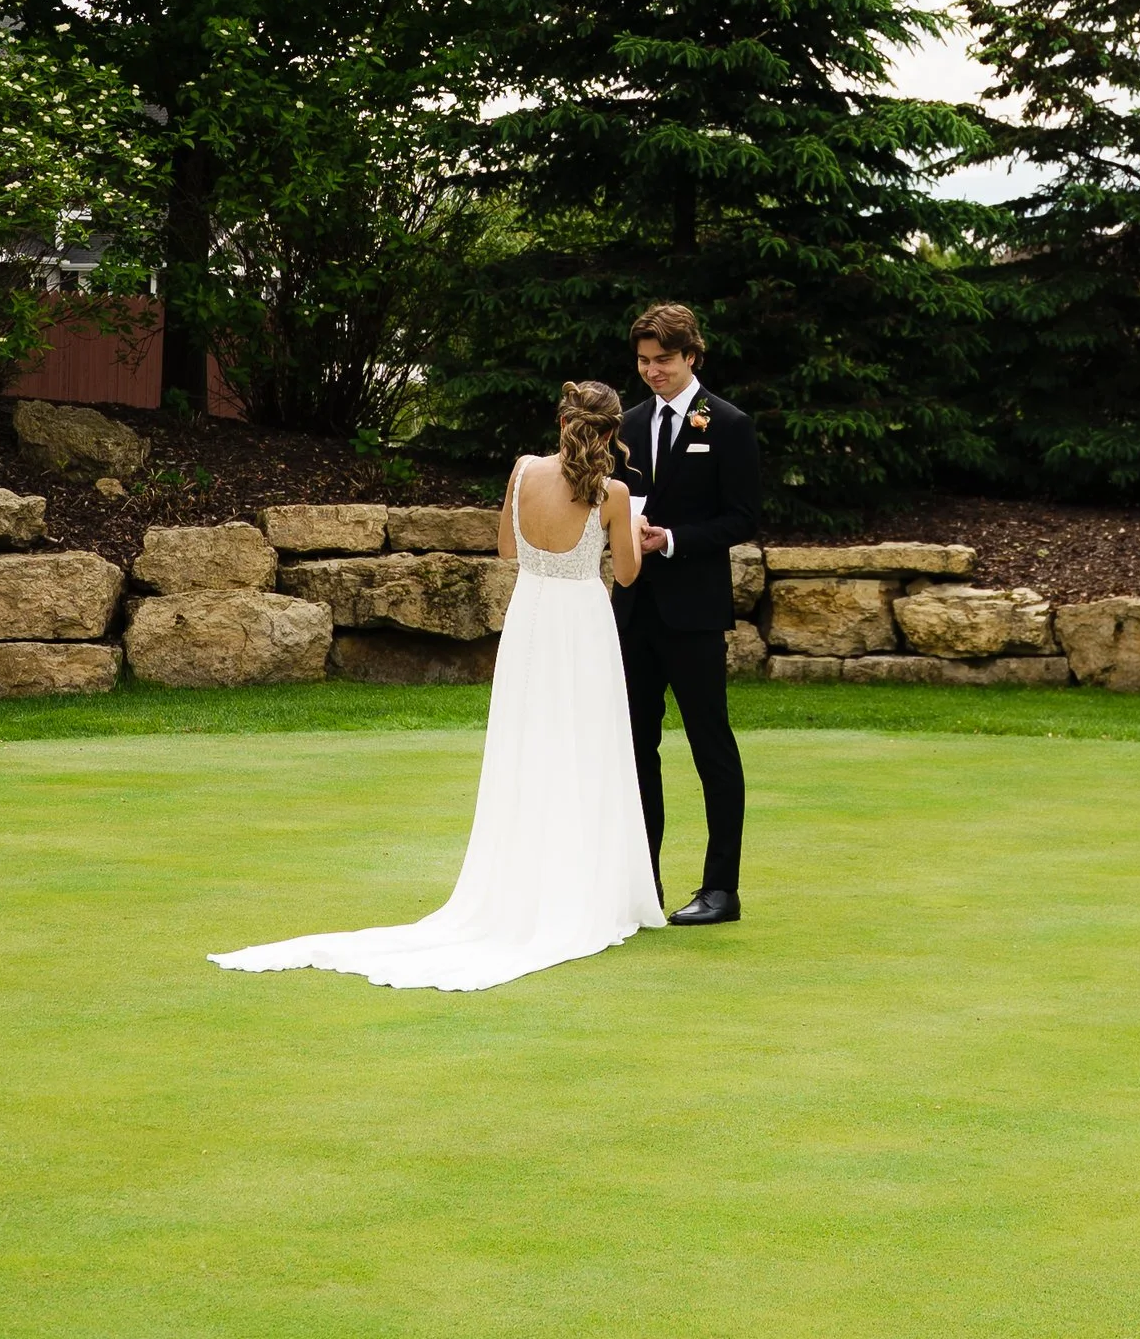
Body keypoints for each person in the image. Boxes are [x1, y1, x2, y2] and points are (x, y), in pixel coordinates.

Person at [208, 380, 665, 993]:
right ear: (612, 434)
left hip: (530, 624)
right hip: (582, 627)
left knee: (528, 752)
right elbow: (629, 576)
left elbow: (507, 548)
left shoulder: (523, 470)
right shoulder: (612, 493)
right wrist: (634, 531)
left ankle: (525, 887)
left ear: (562, 421)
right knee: (585, 751)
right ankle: (582, 891)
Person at [612, 300, 761, 926]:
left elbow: (742, 518)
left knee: (710, 746)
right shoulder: (625, 424)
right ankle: (642, 882)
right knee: (635, 749)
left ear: (691, 356)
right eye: (644, 361)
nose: (652, 371)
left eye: (663, 360)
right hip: (633, 610)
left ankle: (720, 890)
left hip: (695, 614)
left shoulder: (727, 424)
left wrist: (670, 540)